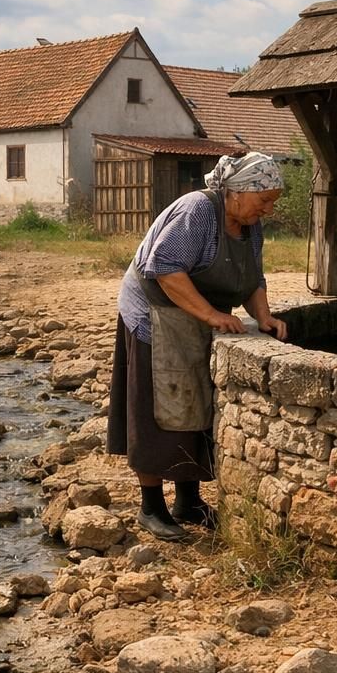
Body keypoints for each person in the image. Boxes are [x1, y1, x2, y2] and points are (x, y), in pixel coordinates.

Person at [108, 152, 297, 541]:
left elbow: (252, 277)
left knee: (197, 403)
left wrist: (263, 317)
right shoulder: (197, 211)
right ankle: (151, 507)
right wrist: (212, 315)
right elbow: (165, 269)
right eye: (264, 199)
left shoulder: (249, 225)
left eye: (273, 200)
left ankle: (188, 500)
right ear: (237, 192)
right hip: (153, 318)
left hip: (195, 317)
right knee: (159, 409)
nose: (269, 208)